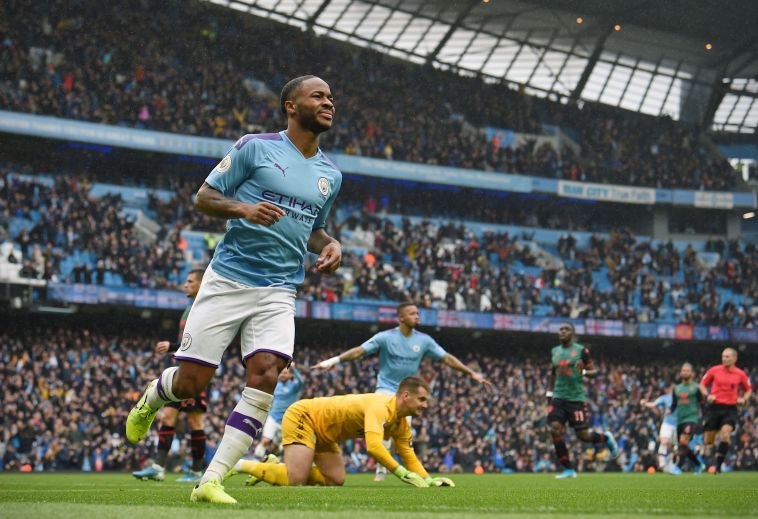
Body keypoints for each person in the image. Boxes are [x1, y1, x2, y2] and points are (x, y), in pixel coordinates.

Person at [126, 75, 343, 504]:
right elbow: (203, 198)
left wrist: (332, 244)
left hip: (280, 288)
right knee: (192, 383)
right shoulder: (255, 147)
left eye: (331, 98)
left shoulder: (330, 175)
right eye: (318, 95)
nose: (328, 102)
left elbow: (313, 230)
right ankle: (154, 395)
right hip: (228, 278)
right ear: (290, 105)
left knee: (266, 374)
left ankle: (211, 480)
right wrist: (243, 207)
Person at [311, 302, 491, 481]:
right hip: (385, 390)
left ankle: (387, 466)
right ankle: (382, 469)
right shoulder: (385, 338)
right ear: (401, 317)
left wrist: (472, 373)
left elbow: (447, 359)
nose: (417, 316)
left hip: (408, 394)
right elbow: (360, 351)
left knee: (403, 432)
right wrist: (333, 361)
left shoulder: (424, 341)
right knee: (384, 427)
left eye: (418, 313)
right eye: (412, 313)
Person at [232, 376, 454, 488]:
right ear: (406, 396)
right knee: (295, 479)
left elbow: (409, 455)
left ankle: (273, 467)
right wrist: (403, 474)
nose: (425, 405)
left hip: (325, 434)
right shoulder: (380, 407)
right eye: (422, 399)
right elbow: (374, 447)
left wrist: (430, 480)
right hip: (305, 416)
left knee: (336, 479)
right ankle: (240, 465)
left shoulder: (402, 423)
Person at [132, 269, 208, 483]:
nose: (186, 285)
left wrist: (172, 346)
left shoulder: (203, 308)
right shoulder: (188, 308)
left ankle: (195, 471)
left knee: (195, 421)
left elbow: (198, 340)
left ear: (201, 285)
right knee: (167, 416)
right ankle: (158, 468)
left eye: (190, 281)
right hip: (181, 370)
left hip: (196, 372)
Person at [546, 323, 619, 479]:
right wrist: (549, 395)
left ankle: (605, 438)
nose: (562, 332)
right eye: (560, 329)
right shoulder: (555, 351)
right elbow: (553, 373)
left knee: (583, 436)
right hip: (558, 398)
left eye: (566, 329)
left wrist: (583, 371)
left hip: (576, 399)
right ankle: (568, 469)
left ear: (572, 333)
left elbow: (594, 373)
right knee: (554, 429)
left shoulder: (581, 351)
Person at [699, 347, 752, 473]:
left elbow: (748, 390)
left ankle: (717, 467)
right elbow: (702, 385)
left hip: (730, 409)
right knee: (709, 440)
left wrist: (743, 399)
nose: (724, 359)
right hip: (714, 408)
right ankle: (710, 459)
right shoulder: (714, 370)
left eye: (727, 357)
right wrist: (707, 396)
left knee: (725, 434)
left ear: (734, 358)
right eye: (723, 356)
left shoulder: (740, 374)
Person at [252, 363, 305, 460]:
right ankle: (255, 461)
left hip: (285, 421)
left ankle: (268, 461)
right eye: (282, 373)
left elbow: (301, 382)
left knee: (277, 448)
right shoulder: (276, 385)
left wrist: (293, 368)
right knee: (266, 441)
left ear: (290, 375)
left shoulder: (294, 387)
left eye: (286, 373)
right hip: (273, 418)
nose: (283, 375)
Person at [669, 362, 706, 475]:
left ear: (692, 373)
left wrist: (705, 418)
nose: (685, 372)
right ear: (680, 373)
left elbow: (702, 403)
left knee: (683, 440)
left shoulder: (696, 388)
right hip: (680, 420)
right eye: (683, 370)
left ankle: (678, 467)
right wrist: (669, 411)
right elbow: (674, 404)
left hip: (692, 418)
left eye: (687, 370)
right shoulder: (676, 389)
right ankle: (699, 465)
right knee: (683, 444)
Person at [640, 385, 677, 471]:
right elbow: (653, 404)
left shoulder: (681, 399)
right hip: (667, 423)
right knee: (664, 441)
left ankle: (670, 463)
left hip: (677, 425)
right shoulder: (665, 398)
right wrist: (645, 403)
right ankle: (662, 462)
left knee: (673, 447)